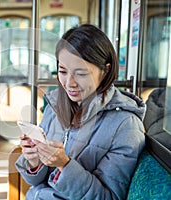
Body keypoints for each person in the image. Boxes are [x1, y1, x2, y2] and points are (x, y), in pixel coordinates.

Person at [15, 24, 146, 200]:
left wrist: (65, 165)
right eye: (62, 71)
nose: (69, 83)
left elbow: (109, 197)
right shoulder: (55, 107)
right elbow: (37, 182)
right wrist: (34, 161)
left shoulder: (126, 126)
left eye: (81, 73)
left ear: (105, 70)